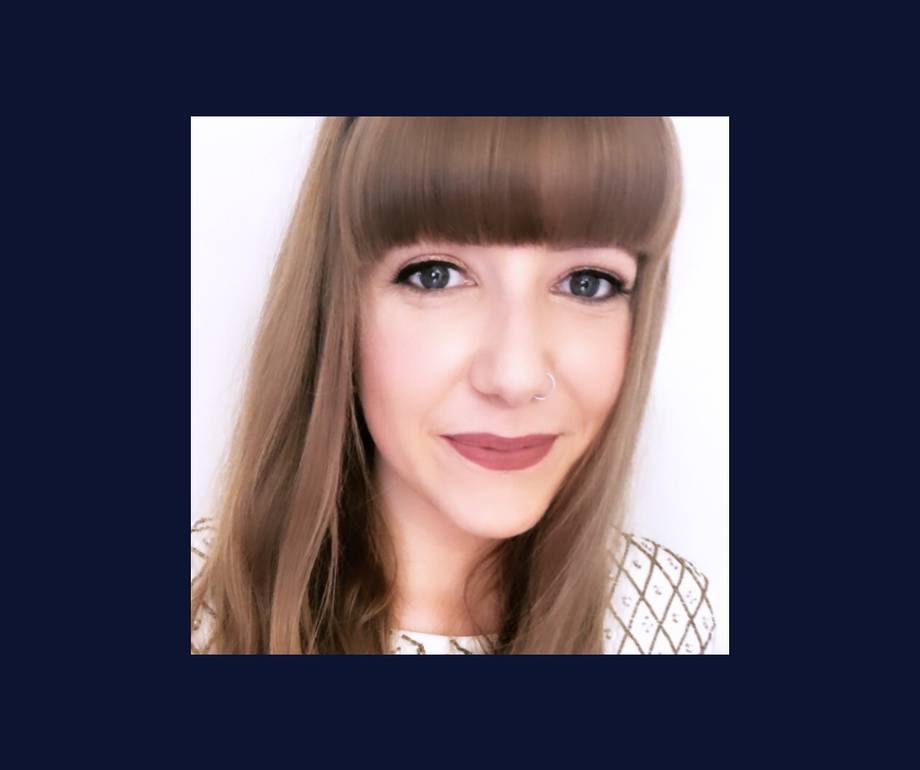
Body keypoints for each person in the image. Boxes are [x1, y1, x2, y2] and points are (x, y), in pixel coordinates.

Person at [191, 116, 716, 654]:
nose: (515, 377)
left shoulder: (661, 613)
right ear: (339, 306)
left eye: (588, 283)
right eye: (435, 275)